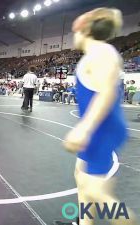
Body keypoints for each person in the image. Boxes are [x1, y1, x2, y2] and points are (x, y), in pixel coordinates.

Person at [55, 8, 137, 225]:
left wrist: (84, 128)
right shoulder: (96, 54)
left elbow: (107, 92)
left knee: (97, 194)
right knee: (81, 179)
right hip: (99, 129)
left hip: (102, 130)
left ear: (84, 31)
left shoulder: (102, 53)